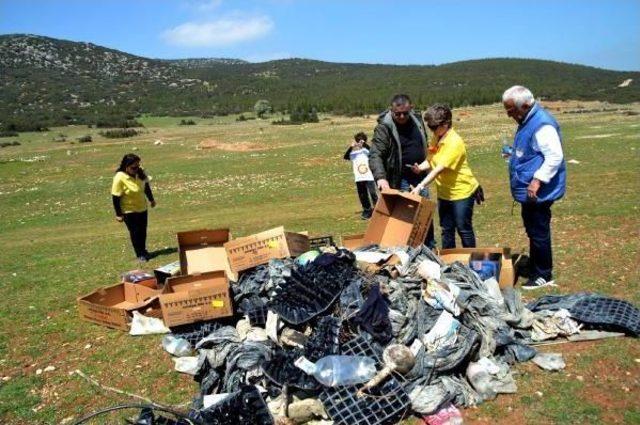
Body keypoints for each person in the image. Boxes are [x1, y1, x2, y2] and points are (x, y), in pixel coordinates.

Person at [502, 85, 566, 289]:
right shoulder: (528, 119)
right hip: (529, 191)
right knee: (532, 229)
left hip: (538, 191)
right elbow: (533, 151)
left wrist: (537, 180)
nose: (509, 114)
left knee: (539, 231)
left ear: (526, 105)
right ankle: (536, 266)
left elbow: (555, 156)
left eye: (512, 110)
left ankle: (543, 274)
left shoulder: (542, 124)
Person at [410, 104, 482, 249]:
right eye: (430, 127)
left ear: (446, 123)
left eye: (434, 127)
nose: (432, 130)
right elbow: (431, 160)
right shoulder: (436, 137)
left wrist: (420, 186)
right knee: (446, 229)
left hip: (462, 192)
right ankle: (448, 260)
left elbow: (438, 170)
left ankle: (472, 261)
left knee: (463, 228)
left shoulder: (454, 142)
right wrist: (419, 168)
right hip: (444, 193)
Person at [369, 94, 435, 248]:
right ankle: (407, 253)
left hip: (420, 176)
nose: (401, 116)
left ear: (411, 108)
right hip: (401, 178)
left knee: (425, 215)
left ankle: (430, 248)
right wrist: (380, 178)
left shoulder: (417, 120)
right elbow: (375, 154)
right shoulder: (384, 127)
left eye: (405, 112)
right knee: (406, 220)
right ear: (391, 110)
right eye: (397, 113)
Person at [111, 153, 156, 262]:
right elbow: (115, 197)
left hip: (142, 208)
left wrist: (151, 199)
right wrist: (118, 214)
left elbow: (146, 187)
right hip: (129, 210)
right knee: (135, 232)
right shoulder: (120, 177)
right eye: (133, 167)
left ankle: (143, 250)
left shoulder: (140, 172)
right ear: (126, 166)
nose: (136, 169)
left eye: (138, 166)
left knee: (142, 231)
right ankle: (139, 254)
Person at [343, 132, 378, 219]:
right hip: (359, 178)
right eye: (358, 141)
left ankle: (378, 209)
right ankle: (367, 211)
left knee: (373, 193)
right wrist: (351, 147)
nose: (359, 142)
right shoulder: (354, 154)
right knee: (363, 195)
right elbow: (346, 157)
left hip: (369, 176)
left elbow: (373, 152)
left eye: (361, 141)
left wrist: (365, 145)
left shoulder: (367, 151)